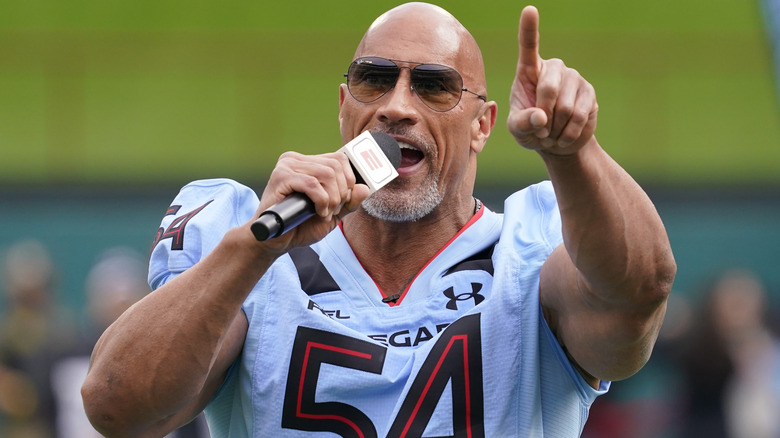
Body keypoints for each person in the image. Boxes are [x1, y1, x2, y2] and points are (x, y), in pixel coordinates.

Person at [81, 3, 676, 437]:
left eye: (434, 87)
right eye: (374, 79)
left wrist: (575, 154)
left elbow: (638, 295)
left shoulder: (533, 244)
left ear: (482, 124)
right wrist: (250, 250)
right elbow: (120, 409)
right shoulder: (251, 244)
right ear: (344, 106)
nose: (395, 106)